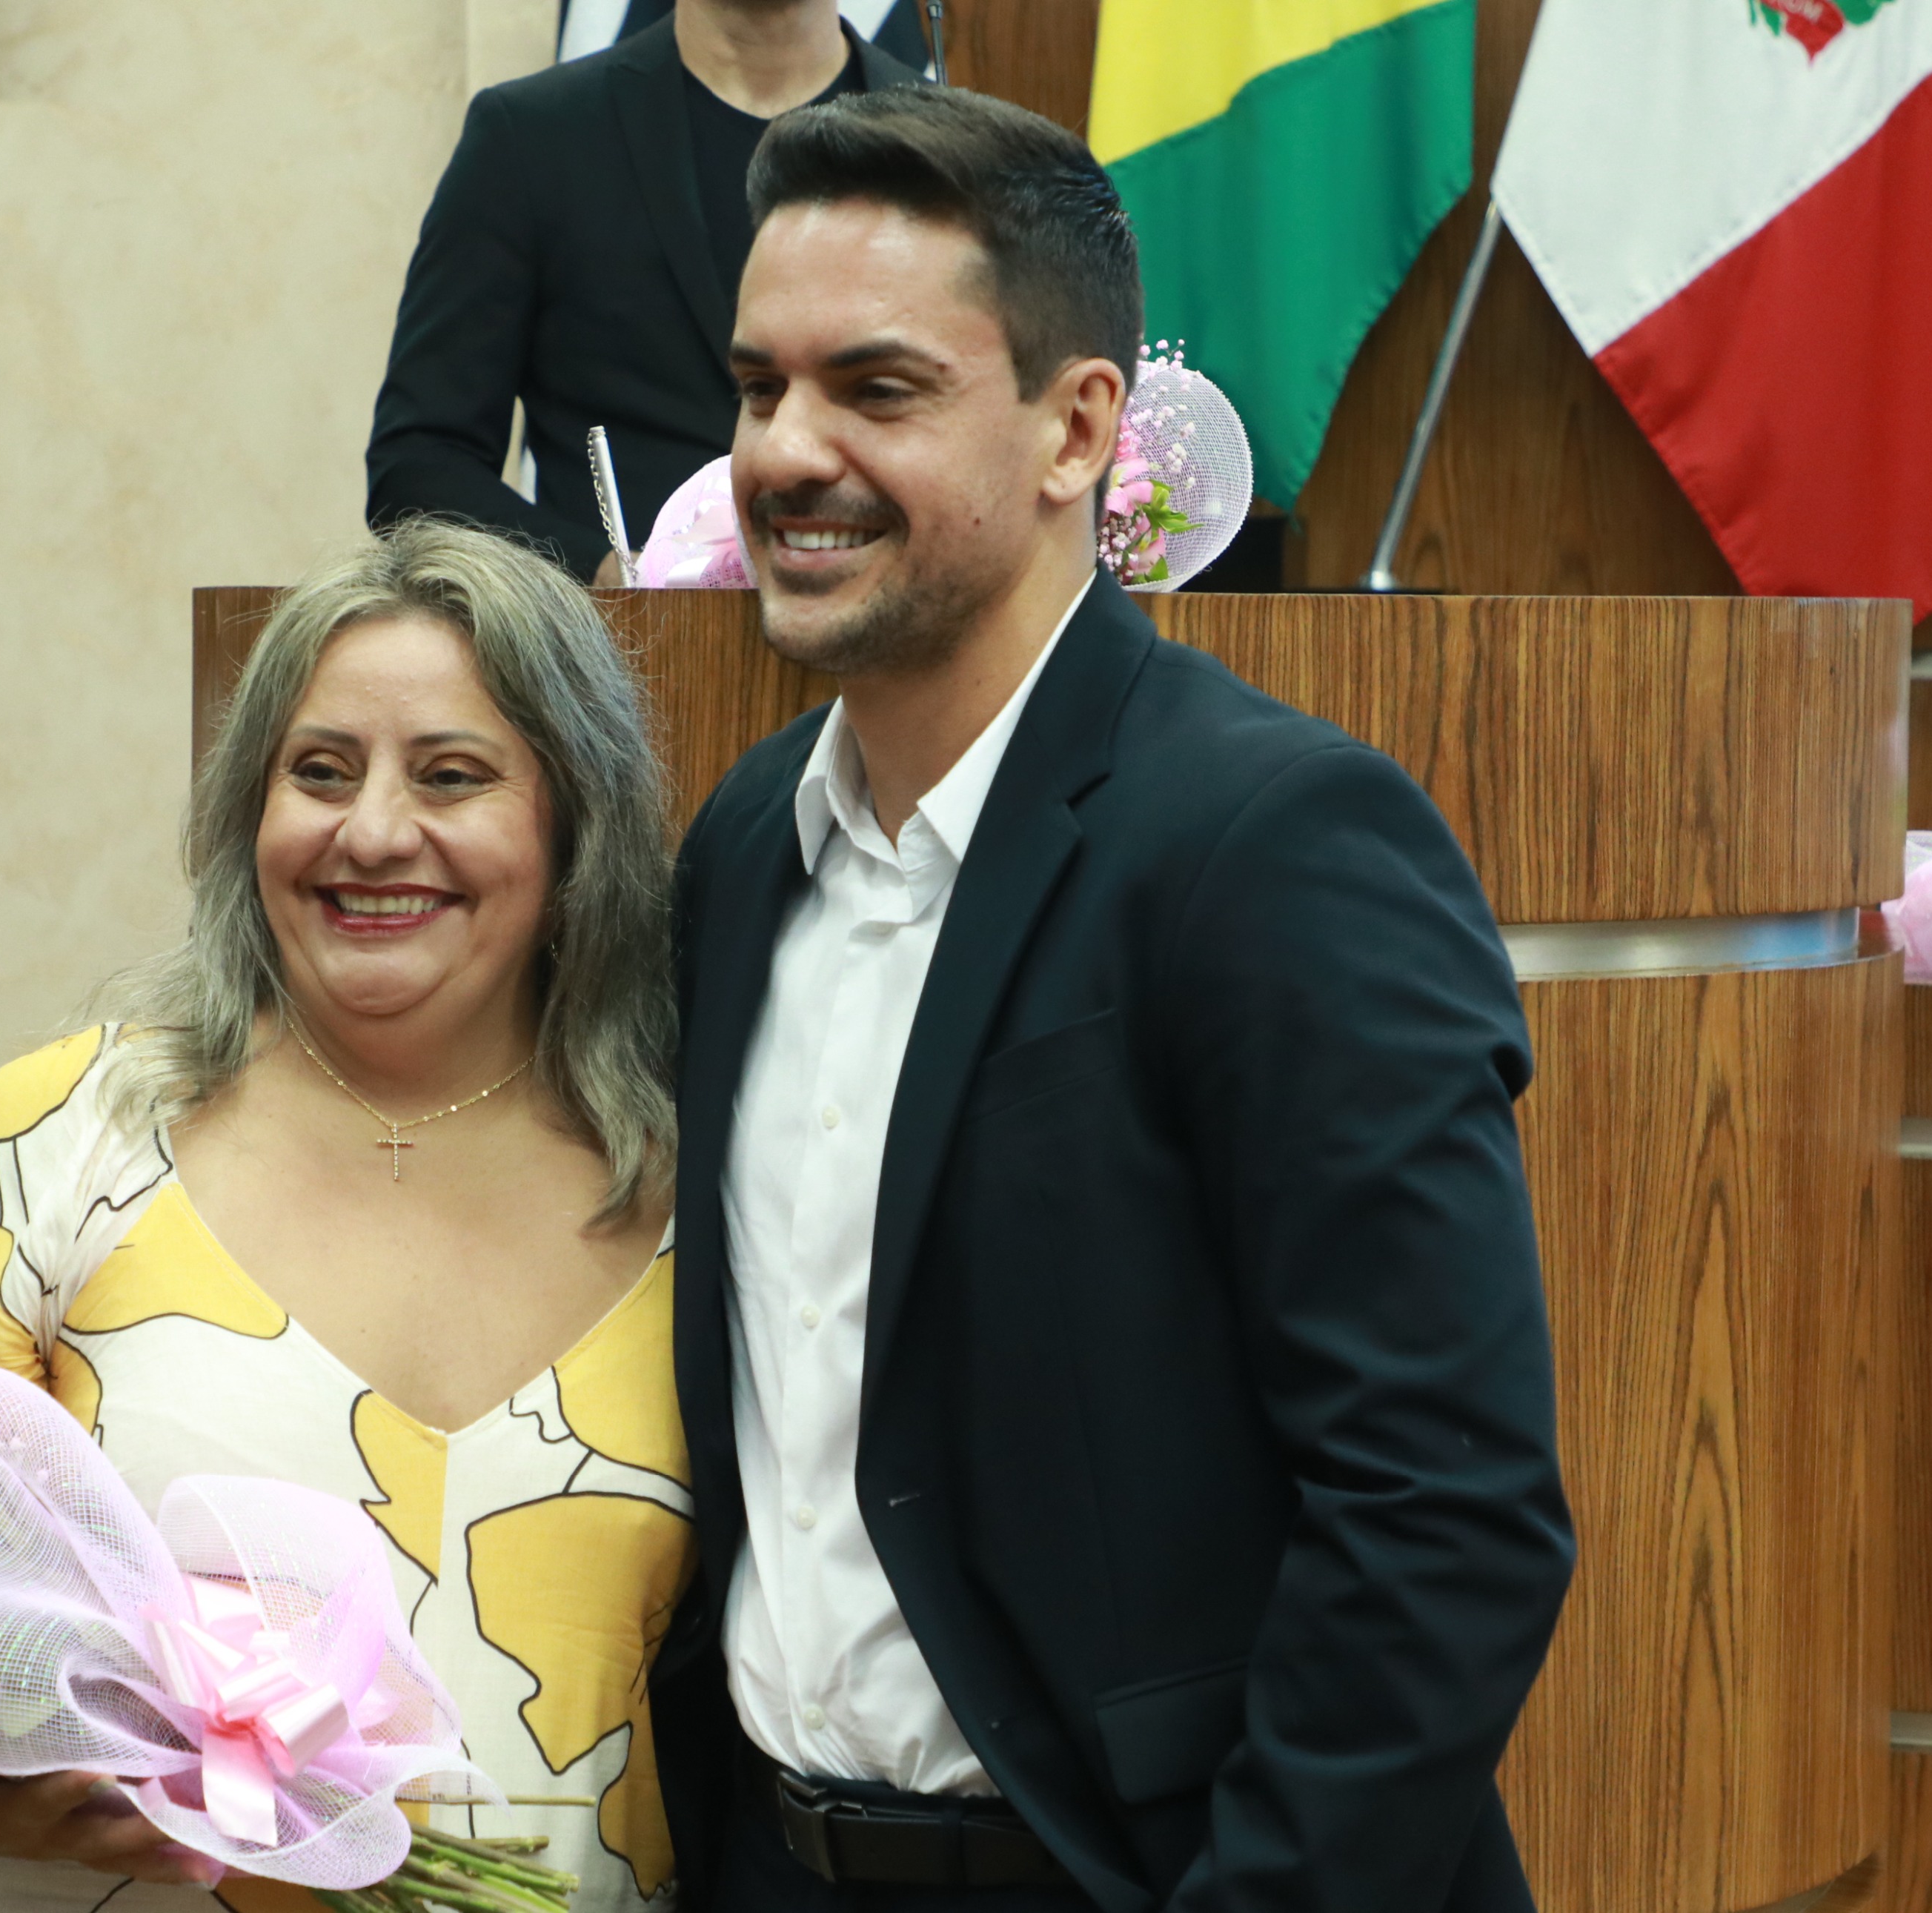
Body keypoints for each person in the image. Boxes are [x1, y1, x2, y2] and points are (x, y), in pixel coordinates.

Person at [656, 87, 1578, 1912]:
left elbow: (1444, 1515)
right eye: (760, 388)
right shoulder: (746, 843)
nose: (786, 451)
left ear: (1079, 429)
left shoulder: (1280, 841)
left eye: (877, 388)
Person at [0, 521, 695, 1911]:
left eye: (452, 775)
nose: (372, 832)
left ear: (574, 823)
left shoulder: (697, 1198)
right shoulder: (44, 1155)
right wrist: (16, 1789)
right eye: (320, 771)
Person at [365, 0, 923, 585]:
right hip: (615, 635)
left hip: (894, 618)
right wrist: (602, 574)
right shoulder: (532, 135)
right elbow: (418, 467)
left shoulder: (949, 148)